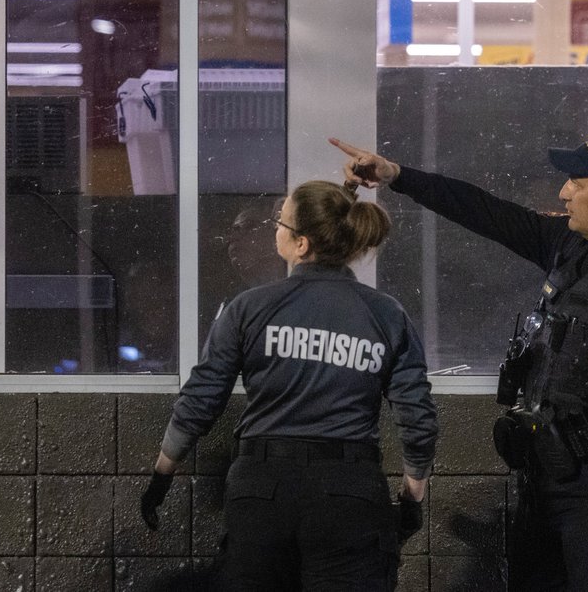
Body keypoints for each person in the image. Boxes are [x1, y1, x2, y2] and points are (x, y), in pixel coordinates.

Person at [332, 131, 588, 592]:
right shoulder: (571, 247)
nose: (563, 192)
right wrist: (397, 176)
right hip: (542, 480)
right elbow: (485, 211)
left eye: (576, 182)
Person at [140, 180, 438, 591]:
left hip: (262, 492)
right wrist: (412, 499)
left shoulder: (249, 308)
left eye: (280, 222)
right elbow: (417, 417)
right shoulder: (387, 315)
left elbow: (200, 401)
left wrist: (161, 478)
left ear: (301, 244)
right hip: (349, 494)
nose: (274, 229)